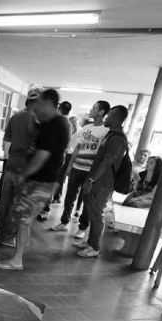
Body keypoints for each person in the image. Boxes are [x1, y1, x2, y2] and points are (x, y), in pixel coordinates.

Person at [0, 89, 70, 270]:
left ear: (47, 103)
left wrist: (24, 174)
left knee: (23, 219)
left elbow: (42, 156)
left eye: (39, 104)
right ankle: (18, 252)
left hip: (41, 182)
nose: (36, 109)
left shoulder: (55, 125)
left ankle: (17, 259)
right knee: (23, 219)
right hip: (42, 181)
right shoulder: (53, 124)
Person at [73, 106, 130, 258]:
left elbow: (107, 161)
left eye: (109, 115)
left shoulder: (117, 138)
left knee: (96, 213)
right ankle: (90, 241)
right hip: (97, 180)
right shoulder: (110, 135)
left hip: (103, 183)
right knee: (91, 211)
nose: (106, 118)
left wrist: (91, 179)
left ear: (117, 119)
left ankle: (94, 247)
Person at [49, 100, 110, 238]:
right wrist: (69, 166)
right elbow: (78, 147)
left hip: (90, 171)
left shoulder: (106, 130)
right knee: (70, 196)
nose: (91, 109)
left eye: (95, 108)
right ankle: (64, 222)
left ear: (101, 111)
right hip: (77, 167)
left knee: (87, 199)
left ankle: (82, 227)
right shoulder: (86, 128)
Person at [0, 87, 42, 244]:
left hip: (11, 164)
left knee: (6, 200)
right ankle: (9, 237)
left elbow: (7, 140)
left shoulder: (15, 117)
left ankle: (1, 231)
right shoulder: (39, 122)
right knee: (19, 204)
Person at [52, 101, 74, 203]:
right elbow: (68, 145)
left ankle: (45, 203)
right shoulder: (69, 125)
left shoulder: (56, 122)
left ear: (59, 108)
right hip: (61, 157)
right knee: (56, 179)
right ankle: (48, 203)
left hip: (51, 156)